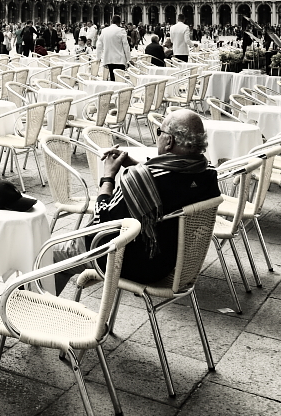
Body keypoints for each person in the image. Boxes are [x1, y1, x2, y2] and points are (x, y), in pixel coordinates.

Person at [51, 109, 220, 294]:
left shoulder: (145, 180)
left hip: (132, 263)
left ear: (169, 140)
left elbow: (103, 221)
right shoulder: (208, 174)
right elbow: (169, 185)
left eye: (159, 133)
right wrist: (138, 167)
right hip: (170, 263)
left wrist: (108, 178)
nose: (159, 138)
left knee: (50, 254)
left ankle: (31, 311)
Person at [96, 15, 131, 80]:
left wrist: (98, 57)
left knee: (112, 78)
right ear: (119, 22)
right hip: (119, 59)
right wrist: (129, 59)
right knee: (120, 79)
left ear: (111, 21)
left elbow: (99, 45)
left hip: (109, 59)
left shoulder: (104, 31)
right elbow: (126, 46)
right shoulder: (121, 30)